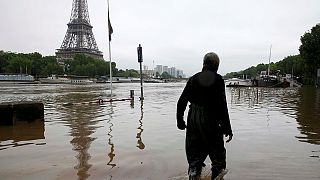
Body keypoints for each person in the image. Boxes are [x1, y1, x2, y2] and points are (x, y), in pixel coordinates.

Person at [176, 52, 233, 179]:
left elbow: (181, 102)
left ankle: (194, 172)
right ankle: (216, 175)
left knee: (195, 156)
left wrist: (180, 121)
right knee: (217, 157)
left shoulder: (193, 79)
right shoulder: (218, 79)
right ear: (215, 65)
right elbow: (222, 106)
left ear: (203, 63)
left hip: (194, 118)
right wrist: (227, 128)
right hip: (211, 119)